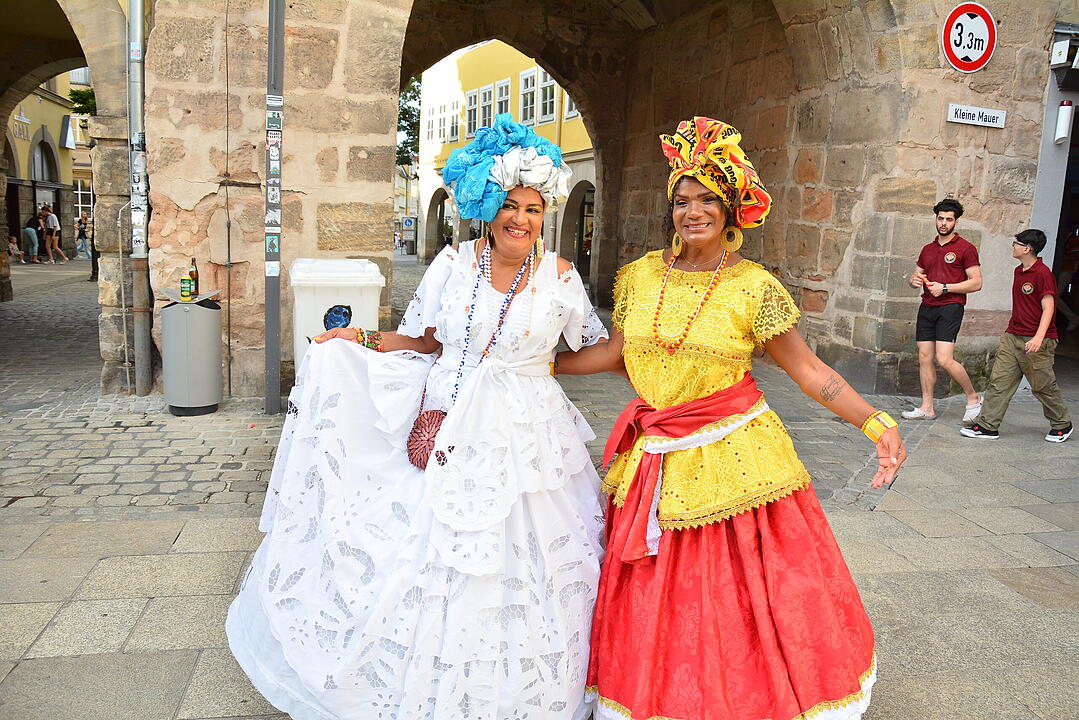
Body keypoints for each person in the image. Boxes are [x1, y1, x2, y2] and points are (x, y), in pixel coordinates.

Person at [227, 114, 608, 720]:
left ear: (546, 215)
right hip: (448, 421)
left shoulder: (560, 276)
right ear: (487, 206)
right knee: (424, 551)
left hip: (527, 435)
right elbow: (424, 341)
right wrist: (358, 338)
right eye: (510, 205)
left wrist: (634, 351)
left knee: (530, 559)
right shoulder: (452, 264)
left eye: (534, 209)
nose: (521, 219)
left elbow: (588, 349)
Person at [554, 117, 907, 720]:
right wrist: (536, 363)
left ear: (731, 209)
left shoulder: (754, 288)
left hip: (736, 456)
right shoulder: (640, 276)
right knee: (658, 589)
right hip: (654, 456)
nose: (692, 211)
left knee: (734, 591)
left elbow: (809, 372)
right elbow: (617, 352)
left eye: (707, 199)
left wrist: (876, 422)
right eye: (682, 200)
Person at [961, 229, 1072, 442]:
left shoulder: (1042, 273)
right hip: (1013, 336)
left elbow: (1049, 308)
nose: (1013, 246)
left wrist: (1038, 338)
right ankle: (987, 426)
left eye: (1016, 243)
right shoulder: (1019, 271)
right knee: (999, 382)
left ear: (1027, 248)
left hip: (1037, 339)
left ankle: (1062, 424)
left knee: (1042, 386)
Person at [902, 198, 982, 421]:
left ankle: (973, 397)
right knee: (924, 357)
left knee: (945, 359)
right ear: (936, 219)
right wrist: (913, 280)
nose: (944, 223)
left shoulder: (966, 248)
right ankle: (927, 407)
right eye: (940, 218)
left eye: (948, 219)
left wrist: (945, 288)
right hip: (927, 306)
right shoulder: (928, 249)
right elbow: (917, 274)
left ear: (956, 222)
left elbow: (976, 282)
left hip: (950, 307)